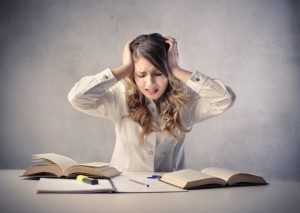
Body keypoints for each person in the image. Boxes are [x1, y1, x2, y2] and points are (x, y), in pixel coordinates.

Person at [68, 33, 236, 172]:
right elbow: (77, 97)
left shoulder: (185, 100)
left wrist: (176, 69)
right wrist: (124, 68)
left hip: (172, 191)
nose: (150, 84)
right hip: (124, 191)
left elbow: (225, 98)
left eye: (158, 73)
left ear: (168, 71)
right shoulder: (119, 96)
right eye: (141, 75)